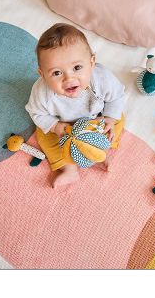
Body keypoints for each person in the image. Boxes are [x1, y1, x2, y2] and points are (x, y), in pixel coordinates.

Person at [25, 23, 127, 188]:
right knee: (43, 136)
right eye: (57, 73)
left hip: (96, 120)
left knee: (119, 118)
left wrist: (109, 118)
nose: (69, 78)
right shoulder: (42, 93)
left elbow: (117, 96)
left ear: (92, 62)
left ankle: (102, 150)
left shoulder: (101, 79)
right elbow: (36, 113)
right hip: (64, 127)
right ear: (42, 74)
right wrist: (55, 127)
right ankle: (69, 169)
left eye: (77, 68)